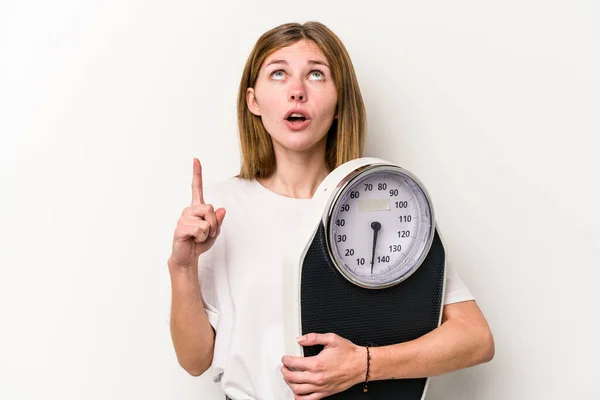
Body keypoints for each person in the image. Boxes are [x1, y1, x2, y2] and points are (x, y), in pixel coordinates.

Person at [168, 21, 495, 400]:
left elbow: (476, 338)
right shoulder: (218, 211)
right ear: (253, 101)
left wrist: (364, 364)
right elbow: (194, 360)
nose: (297, 91)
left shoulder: (388, 203)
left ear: (340, 102)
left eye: (316, 75)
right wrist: (183, 266)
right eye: (279, 74)